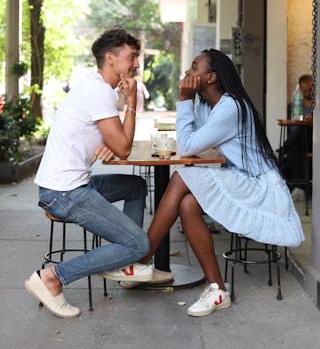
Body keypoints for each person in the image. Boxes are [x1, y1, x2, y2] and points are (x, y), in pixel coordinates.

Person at [101, 48, 304, 317]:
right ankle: (218, 289)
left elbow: (186, 146)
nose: (187, 72)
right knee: (187, 204)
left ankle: (140, 259)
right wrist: (191, 102)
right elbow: (196, 143)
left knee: (182, 174)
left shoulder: (231, 107)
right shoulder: (209, 104)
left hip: (261, 187)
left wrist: (184, 99)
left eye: (194, 67)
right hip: (240, 178)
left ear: (210, 77)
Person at [24, 28, 153, 318]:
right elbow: (123, 147)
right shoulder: (97, 91)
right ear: (110, 58)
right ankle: (53, 277)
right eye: (131, 57)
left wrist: (111, 142)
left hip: (71, 185)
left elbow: (114, 142)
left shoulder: (96, 88)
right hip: (64, 193)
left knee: (135, 186)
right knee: (138, 243)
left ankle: (126, 264)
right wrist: (131, 104)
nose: (136, 64)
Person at [280, 74, 313, 202]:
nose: (308, 93)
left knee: (301, 133)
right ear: (300, 89)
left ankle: (280, 151)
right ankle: (300, 188)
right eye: (305, 91)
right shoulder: (295, 104)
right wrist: (304, 120)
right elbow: (292, 128)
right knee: (297, 138)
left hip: (314, 140)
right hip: (300, 140)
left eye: (310, 90)